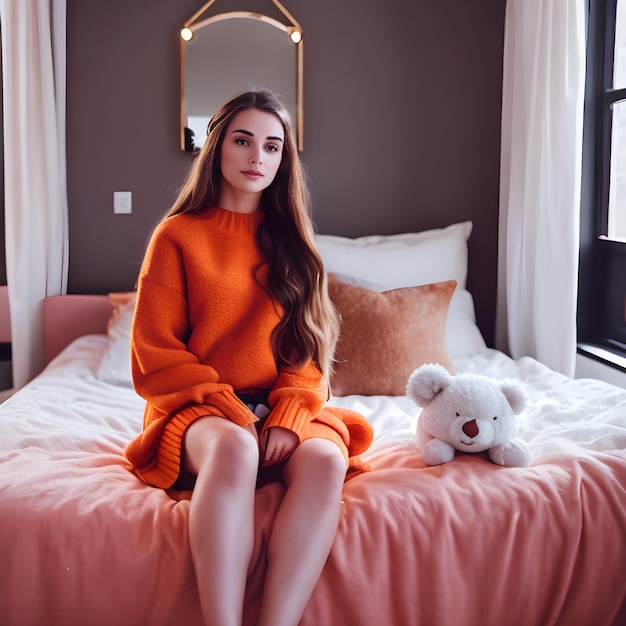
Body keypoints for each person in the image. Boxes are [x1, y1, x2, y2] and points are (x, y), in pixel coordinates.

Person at [124, 89, 374, 626]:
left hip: (283, 407)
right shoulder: (177, 235)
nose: (257, 157)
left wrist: (286, 416)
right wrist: (234, 412)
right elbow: (155, 352)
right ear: (216, 147)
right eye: (243, 141)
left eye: (272, 146)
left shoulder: (294, 243)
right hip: (199, 409)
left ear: (284, 160)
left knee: (327, 460)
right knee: (236, 450)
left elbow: (308, 355)